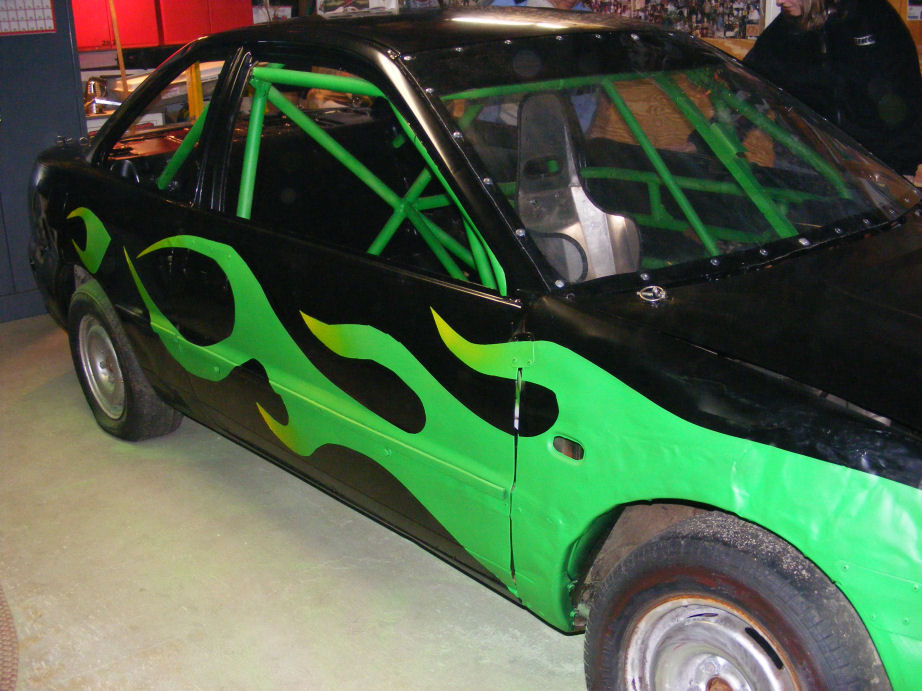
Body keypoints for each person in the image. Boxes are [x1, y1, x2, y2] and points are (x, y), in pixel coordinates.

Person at [744, 0, 922, 176]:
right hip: (802, 161)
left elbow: (906, 96)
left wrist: (904, 167)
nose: (778, 2)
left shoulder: (874, 16)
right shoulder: (783, 29)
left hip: (871, 168)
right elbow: (748, 82)